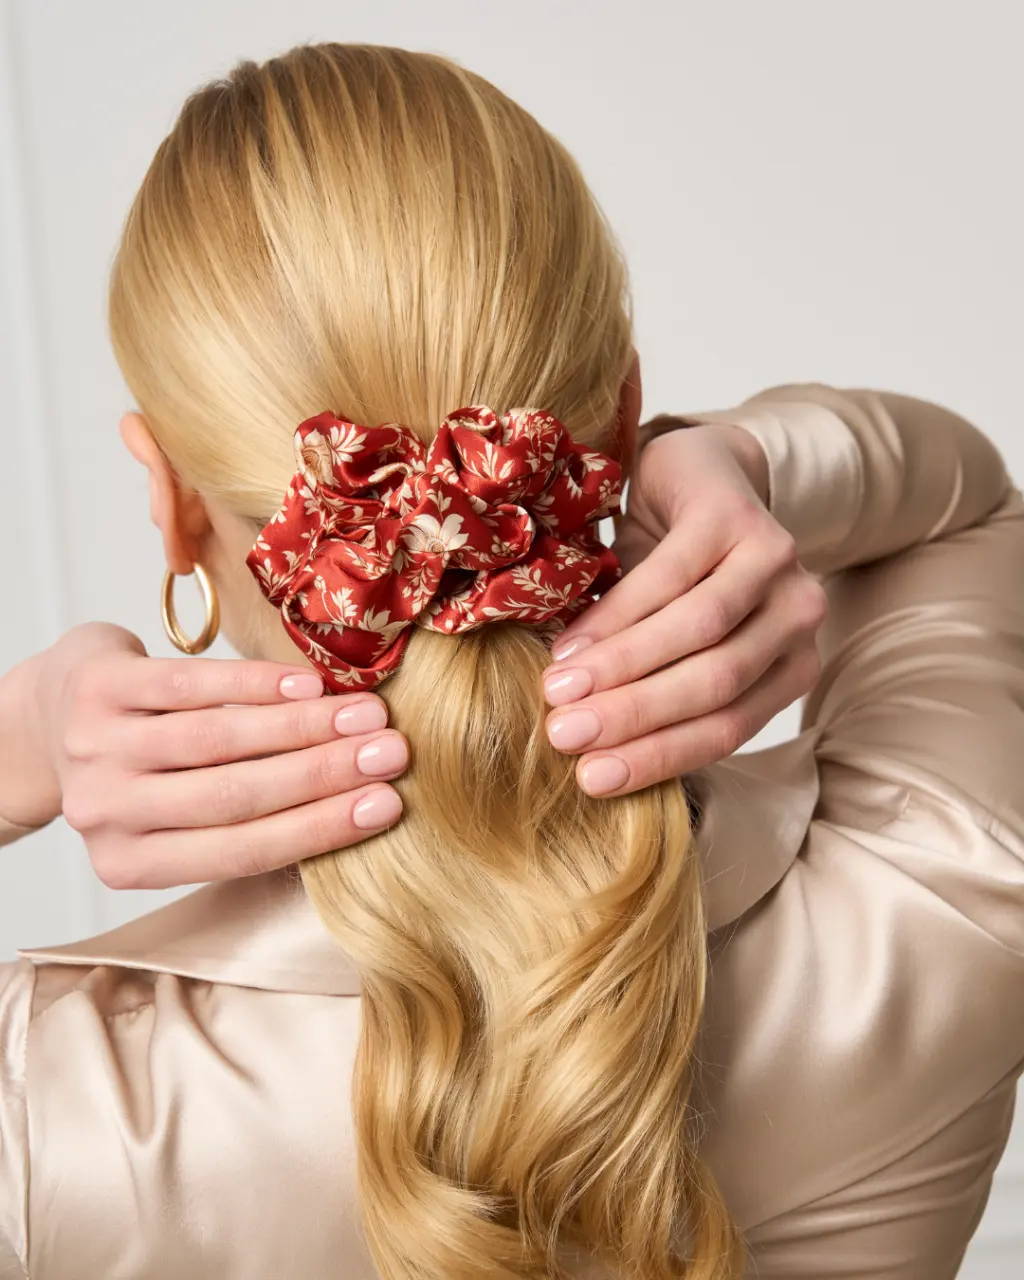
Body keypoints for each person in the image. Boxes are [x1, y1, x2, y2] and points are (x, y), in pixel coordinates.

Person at [0, 43, 1021, 1280]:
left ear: (167, 499)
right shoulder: (944, 887)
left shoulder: (55, 1113)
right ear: (620, 416)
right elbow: (972, 503)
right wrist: (738, 463)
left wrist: (25, 741)